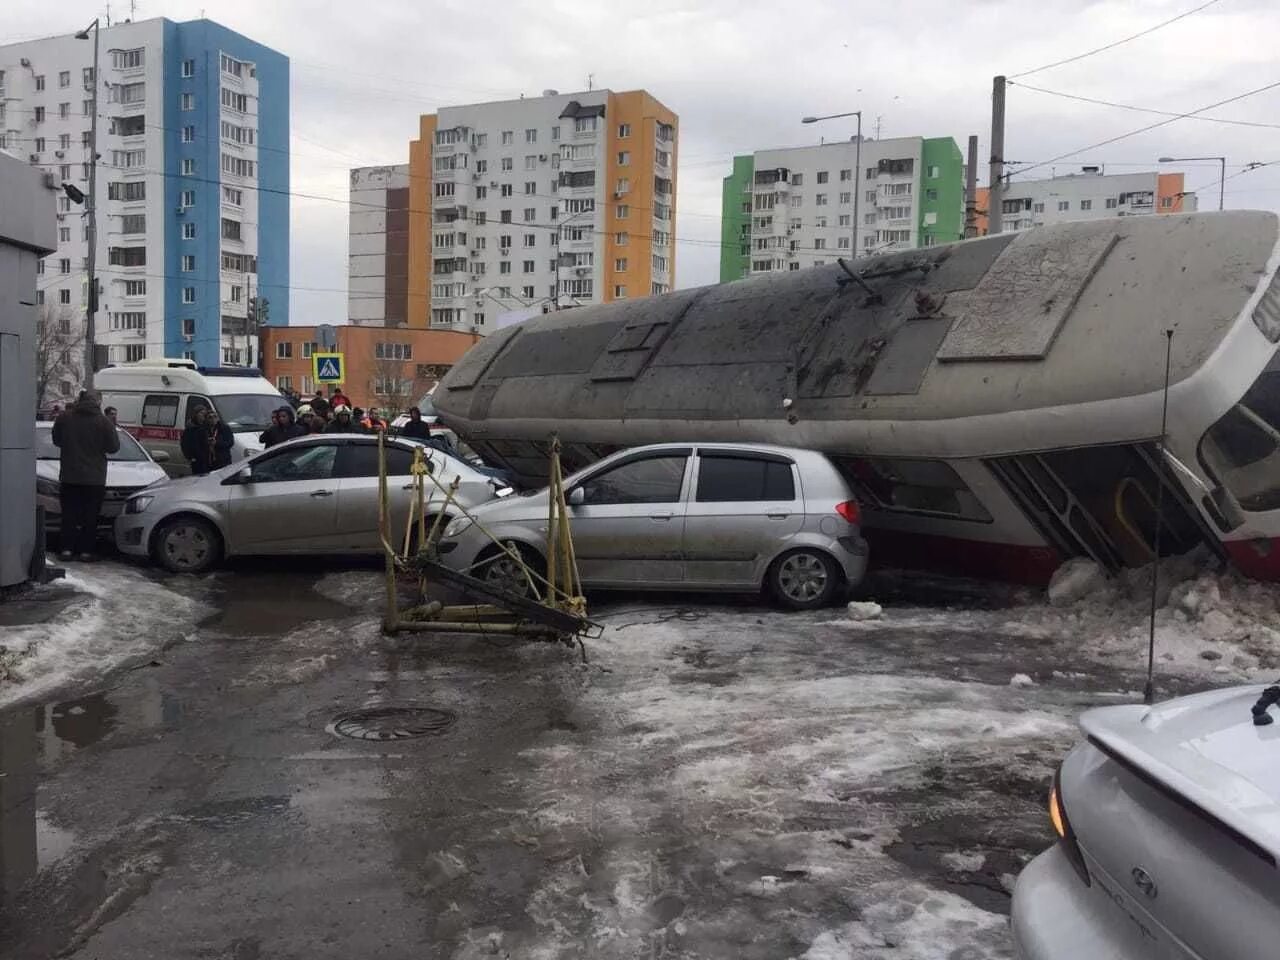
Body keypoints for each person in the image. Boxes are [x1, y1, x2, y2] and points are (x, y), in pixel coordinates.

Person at [51, 391, 119, 561]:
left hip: (69, 475)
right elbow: (113, 448)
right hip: (94, 478)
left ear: (79, 400)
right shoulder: (104, 421)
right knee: (90, 516)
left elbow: (57, 440)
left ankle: (66, 549)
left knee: (69, 515)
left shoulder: (64, 418)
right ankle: (86, 551)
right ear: (98, 402)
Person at [181, 407, 214, 475]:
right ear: (196, 414)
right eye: (201, 413)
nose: (203, 415)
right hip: (197, 460)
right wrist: (190, 457)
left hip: (208, 460)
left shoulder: (206, 427)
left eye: (205, 413)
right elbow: (185, 444)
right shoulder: (190, 428)